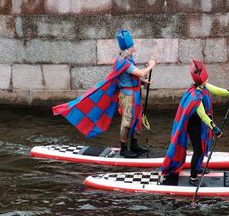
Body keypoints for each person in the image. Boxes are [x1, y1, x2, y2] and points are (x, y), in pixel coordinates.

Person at [53, 30, 157, 158]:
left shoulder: (128, 60)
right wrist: (151, 66)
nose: (133, 49)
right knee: (128, 121)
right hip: (128, 96)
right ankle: (124, 148)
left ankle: (134, 145)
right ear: (127, 49)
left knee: (137, 119)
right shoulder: (123, 62)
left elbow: (132, 77)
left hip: (134, 94)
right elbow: (140, 73)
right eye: (131, 47)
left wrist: (141, 82)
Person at [160, 60, 229, 186]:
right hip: (193, 125)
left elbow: (216, 90)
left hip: (200, 122)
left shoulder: (202, 85)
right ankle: (193, 178)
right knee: (198, 150)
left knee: (202, 146)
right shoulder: (195, 95)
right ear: (202, 81)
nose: (207, 81)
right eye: (206, 79)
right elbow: (202, 115)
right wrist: (215, 128)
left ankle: (197, 168)